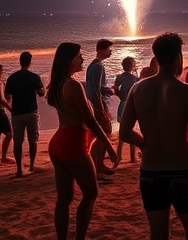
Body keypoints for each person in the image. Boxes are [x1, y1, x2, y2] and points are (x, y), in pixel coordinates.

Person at [118, 33, 188, 240]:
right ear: (178, 58)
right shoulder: (187, 92)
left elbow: (125, 132)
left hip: (150, 173)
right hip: (181, 170)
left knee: (158, 233)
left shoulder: (137, 89)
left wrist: (145, 144)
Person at [47, 42, 118, 240]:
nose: (82, 59)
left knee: (65, 198)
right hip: (73, 144)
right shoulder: (73, 85)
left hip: (58, 142)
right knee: (91, 193)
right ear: (69, 60)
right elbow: (89, 119)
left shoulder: (58, 84)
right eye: (79, 56)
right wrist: (108, 144)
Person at [4, 51, 46, 176]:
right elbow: (41, 93)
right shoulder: (34, 77)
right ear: (30, 62)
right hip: (31, 112)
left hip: (17, 113)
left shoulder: (12, 78)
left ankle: (19, 169)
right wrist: (43, 89)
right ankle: (32, 165)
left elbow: (7, 96)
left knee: (18, 141)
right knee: (33, 140)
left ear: (20, 61)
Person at [85, 39, 115, 177]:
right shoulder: (98, 66)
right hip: (98, 104)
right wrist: (101, 107)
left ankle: (97, 164)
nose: (111, 51)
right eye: (109, 49)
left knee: (100, 134)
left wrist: (107, 90)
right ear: (102, 50)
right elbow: (96, 89)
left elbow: (95, 87)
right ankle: (98, 165)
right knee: (105, 133)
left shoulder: (94, 65)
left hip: (96, 103)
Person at [113, 56, 139, 163]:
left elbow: (115, 89)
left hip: (124, 102)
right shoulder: (134, 78)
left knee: (123, 130)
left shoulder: (120, 77)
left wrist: (122, 96)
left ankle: (120, 155)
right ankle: (131, 157)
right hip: (128, 103)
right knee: (129, 130)